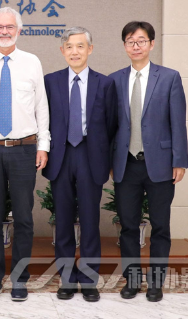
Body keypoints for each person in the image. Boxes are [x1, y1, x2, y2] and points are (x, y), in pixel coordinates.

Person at [0, 7, 50, 302]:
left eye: (10, 27)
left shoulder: (32, 63)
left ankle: (19, 279)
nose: (4, 31)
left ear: (19, 30)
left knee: (24, 219)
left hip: (24, 150)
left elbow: (42, 107)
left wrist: (44, 145)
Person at [109, 21, 188, 302]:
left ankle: (155, 283)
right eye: (130, 41)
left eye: (141, 40)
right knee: (128, 226)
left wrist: (180, 161)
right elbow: (109, 126)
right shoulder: (114, 80)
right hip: (126, 165)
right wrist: (109, 160)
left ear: (152, 44)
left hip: (161, 164)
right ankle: (131, 282)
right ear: (124, 46)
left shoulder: (169, 77)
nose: (136, 46)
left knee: (160, 226)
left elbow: (178, 123)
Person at [42, 27, 117, 302]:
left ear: (90, 49)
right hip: (61, 157)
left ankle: (88, 280)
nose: (75, 51)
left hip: (90, 156)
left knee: (89, 220)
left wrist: (106, 159)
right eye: (69, 47)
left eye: (80, 46)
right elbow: (44, 120)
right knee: (62, 221)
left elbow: (111, 125)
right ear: (63, 51)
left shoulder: (105, 83)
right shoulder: (50, 81)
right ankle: (66, 278)